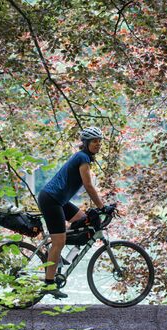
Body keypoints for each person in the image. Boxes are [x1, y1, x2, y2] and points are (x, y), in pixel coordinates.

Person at [37, 126, 107, 299]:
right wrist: (101, 207)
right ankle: (49, 283)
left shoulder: (84, 157)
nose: (97, 144)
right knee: (59, 241)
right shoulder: (83, 157)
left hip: (59, 200)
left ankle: (58, 255)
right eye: (94, 141)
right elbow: (88, 185)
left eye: (99, 141)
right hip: (51, 200)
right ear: (86, 143)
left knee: (84, 220)